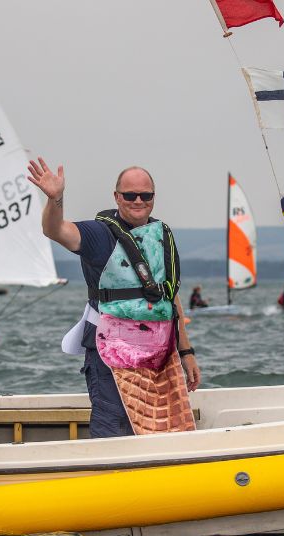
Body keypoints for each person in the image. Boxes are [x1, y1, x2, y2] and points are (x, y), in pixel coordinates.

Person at [29, 157, 200, 438]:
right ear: (117, 197)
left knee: (162, 430)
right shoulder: (99, 234)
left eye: (145, 195)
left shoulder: (159, 236)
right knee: (114, 429)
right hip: (110, 353)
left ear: (153, 197)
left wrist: (186, 351)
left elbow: (168, 297)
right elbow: (55, 229)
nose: (138, 201)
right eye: (130, 195)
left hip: (158, 354)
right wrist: (55, 199)